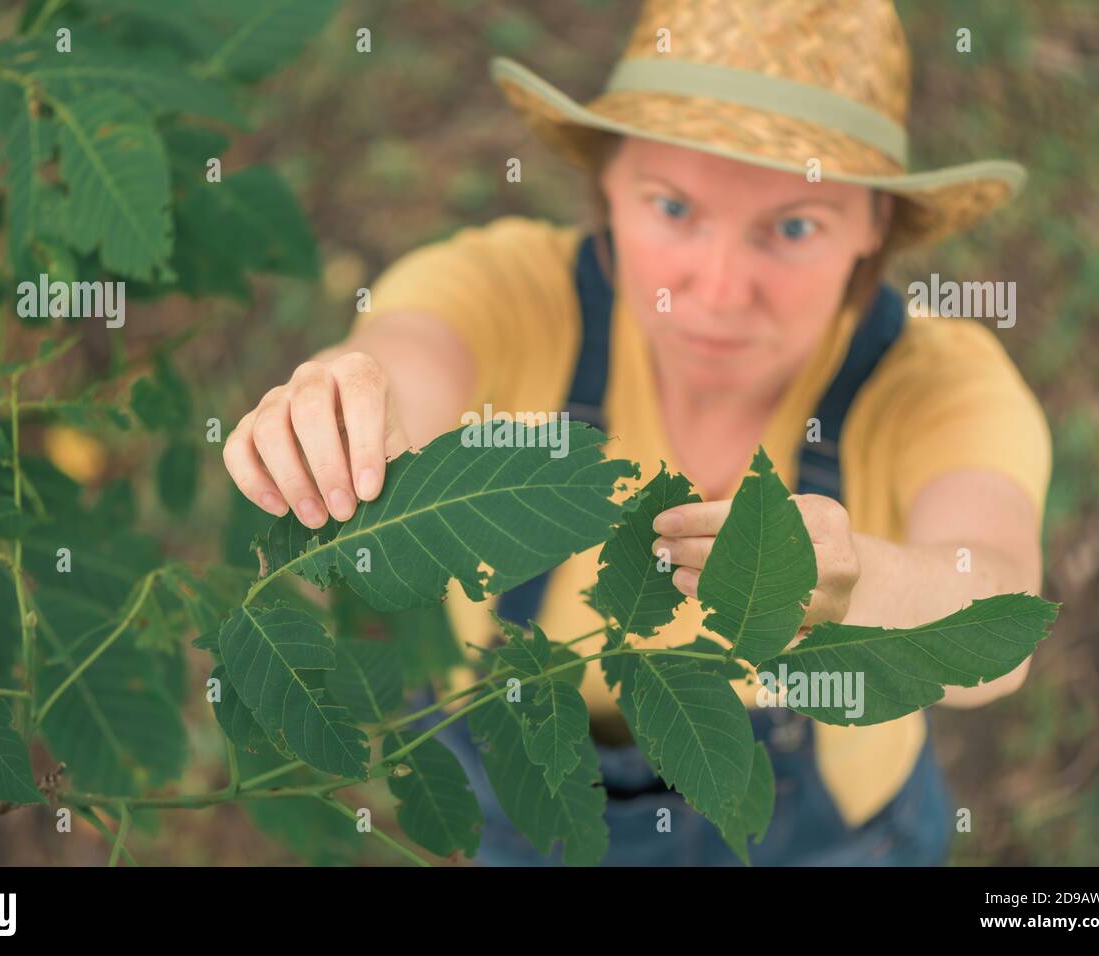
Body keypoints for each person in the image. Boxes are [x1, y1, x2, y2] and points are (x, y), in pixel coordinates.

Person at [222, 0, 1051, 866]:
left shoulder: (933, 384)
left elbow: (994, 619)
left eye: (793, 226)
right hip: (528, 809)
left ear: (874, 226)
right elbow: (408, 353)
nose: (720, 289)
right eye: (673, 207)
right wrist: (345, 403)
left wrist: (865, 583)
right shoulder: (516, 293)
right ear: (607, 185)